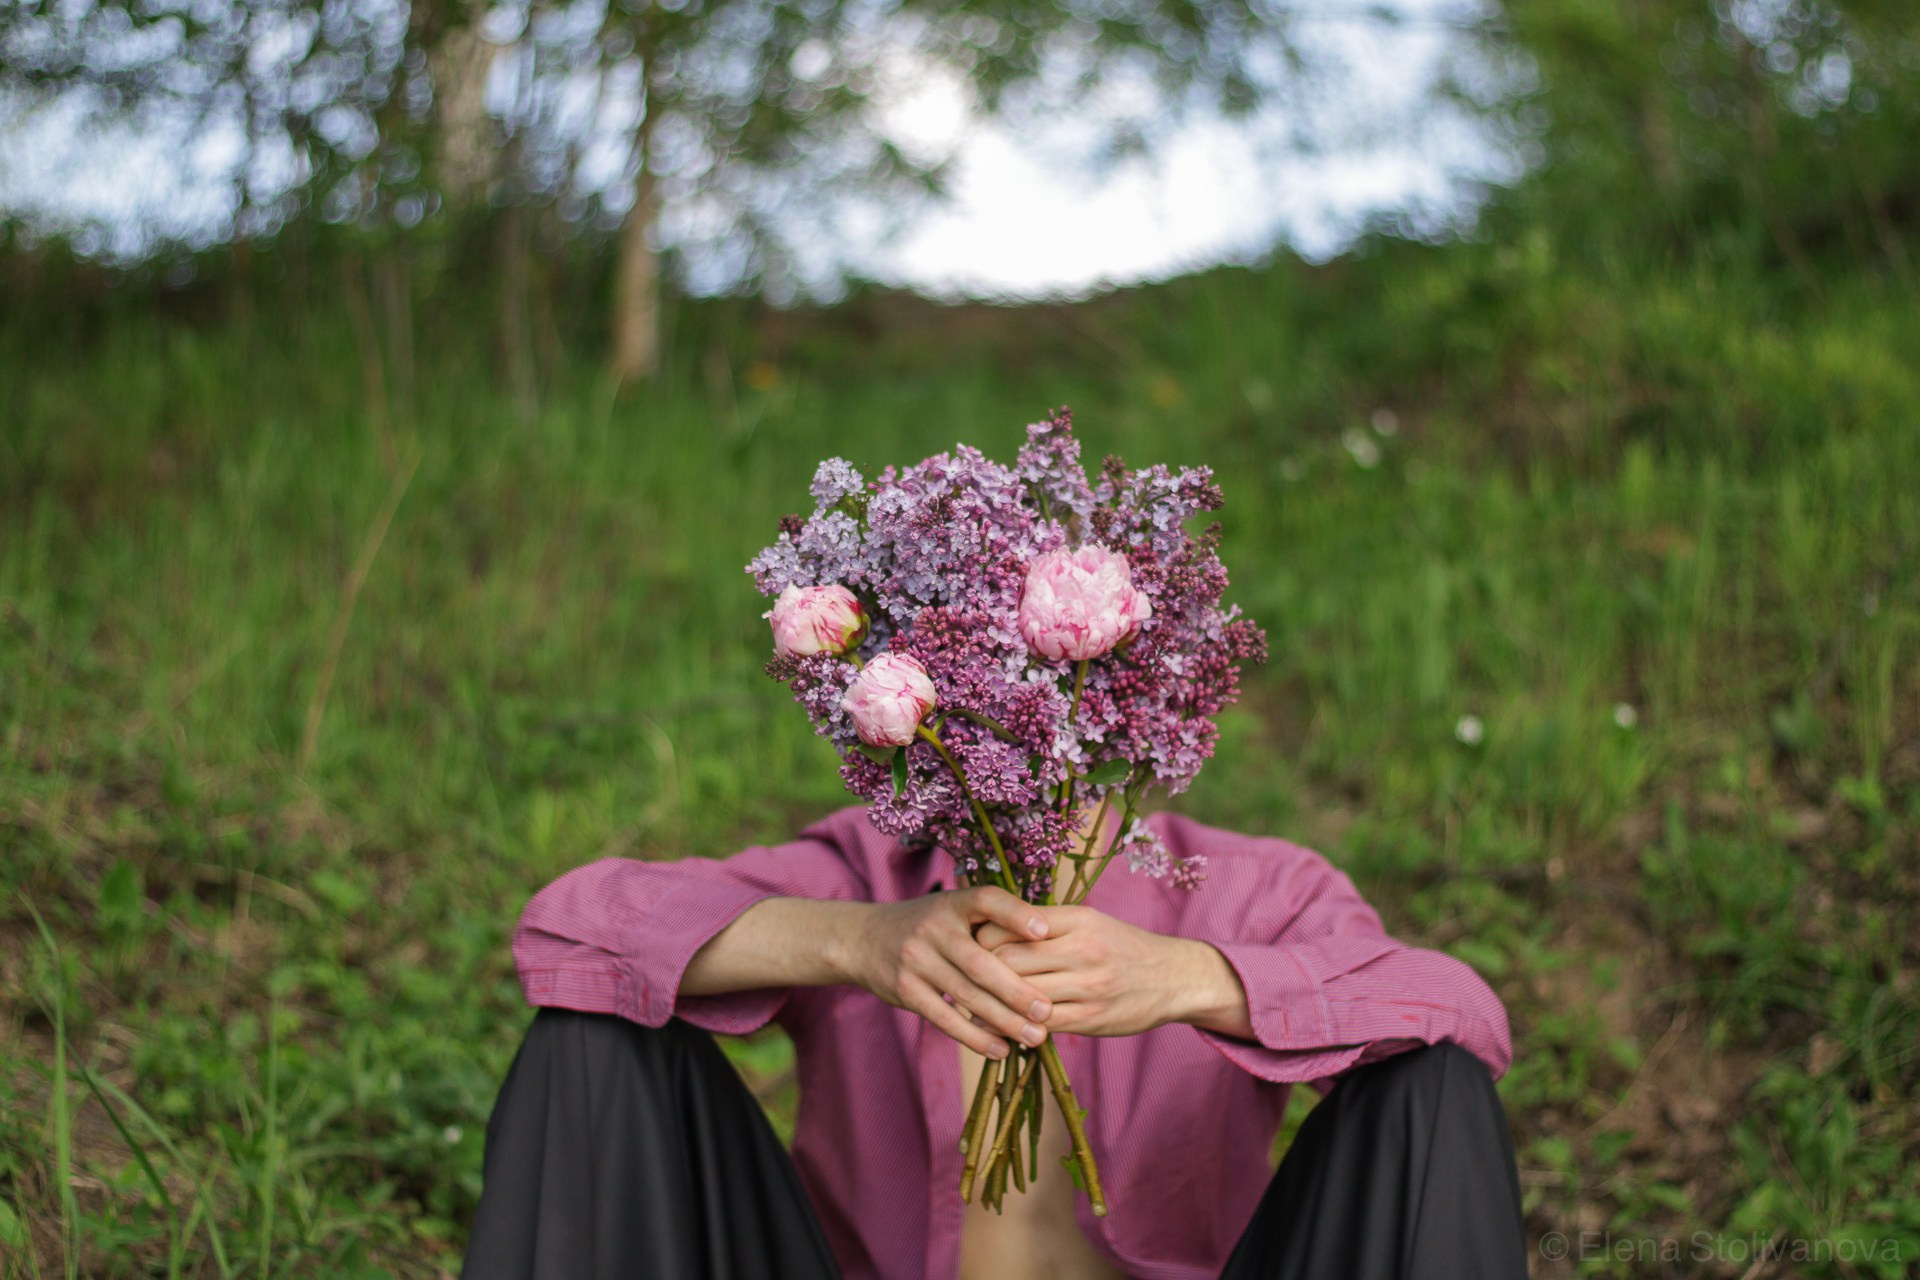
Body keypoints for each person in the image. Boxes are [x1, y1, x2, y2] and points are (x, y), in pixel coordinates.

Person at [461, 804, 1528, 1280]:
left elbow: (1464, 1010)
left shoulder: (1252, 883)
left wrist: (1190, 977)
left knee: (1427, 1080)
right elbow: (570, 925)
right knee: (593, 1037)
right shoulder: (869, 871)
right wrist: (858, 940)